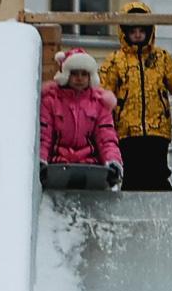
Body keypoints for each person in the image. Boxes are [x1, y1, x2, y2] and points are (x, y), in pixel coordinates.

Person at [99, 6, 172, 193]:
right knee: (133, 175)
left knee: (157, 174)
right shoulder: (115, 61)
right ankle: (133, 212)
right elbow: (104, 92)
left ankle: (163, 210)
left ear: (149, 31)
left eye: (142, 31)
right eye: (133, 31)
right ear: (124, 32)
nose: (138, 35)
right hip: (127, 131)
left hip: (157, 130)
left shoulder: (160, 58)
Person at [37, 45, 122, 192]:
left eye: (84, 74)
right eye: (74, 73)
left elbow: (106, 137)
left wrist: (113, 161)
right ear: (66, 75)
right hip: (57, 165)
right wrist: (41, 160)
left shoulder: (99, 103)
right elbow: (45, 135)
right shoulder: (51, 101)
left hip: (90, 166)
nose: (79, 78)